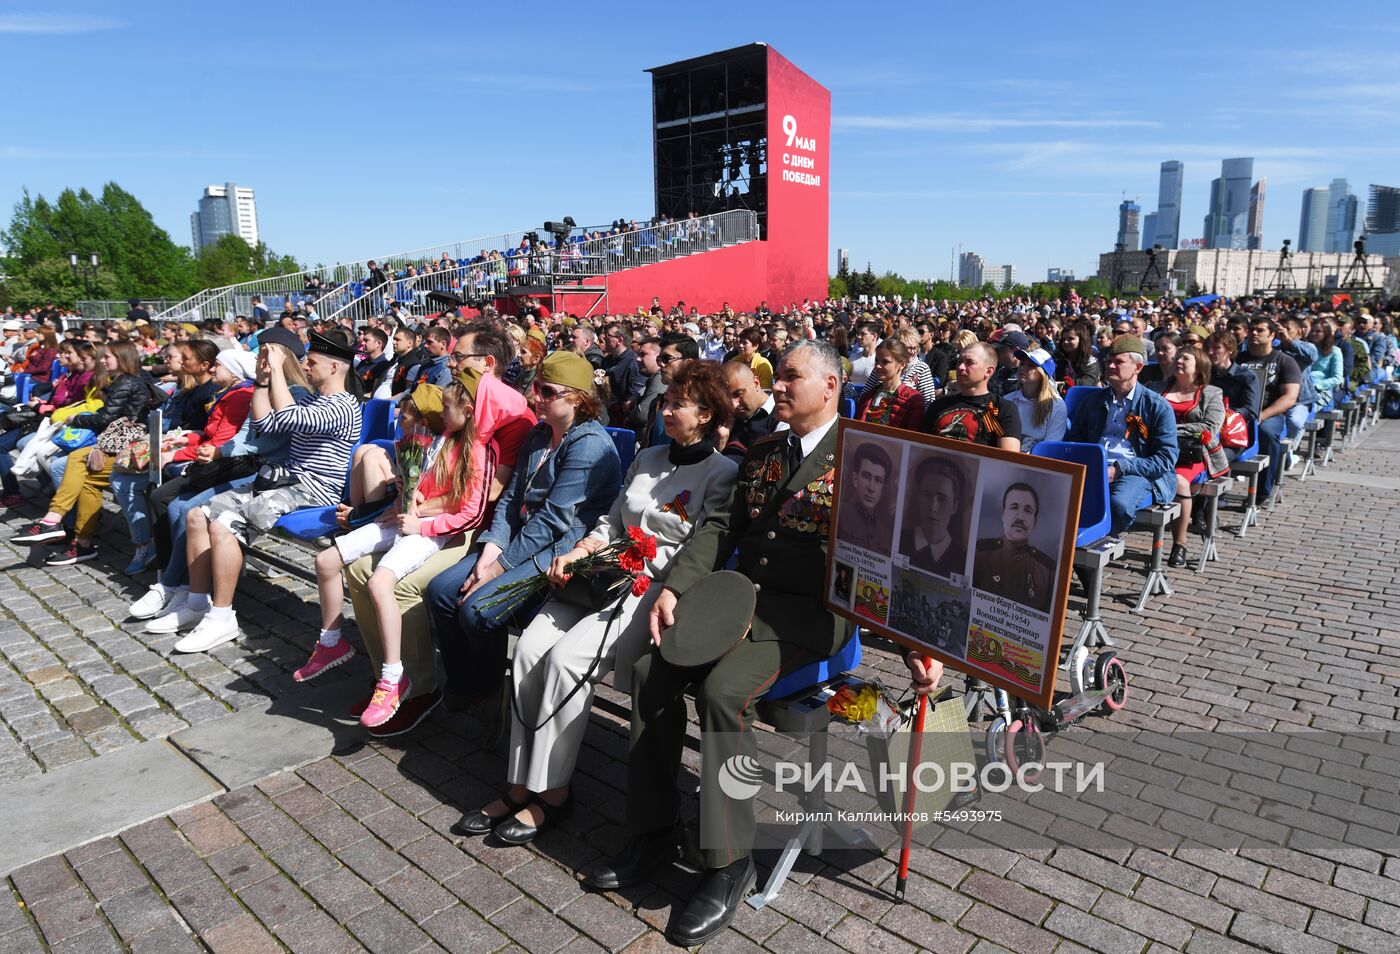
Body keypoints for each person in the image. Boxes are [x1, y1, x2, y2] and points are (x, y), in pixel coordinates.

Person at [582, 340, 851, 948]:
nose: (774, 387)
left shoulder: (865, 458)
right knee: (651, 669)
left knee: (722, 692)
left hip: (807, 617)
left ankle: (726, 861)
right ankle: (652, 829)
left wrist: (920, 649)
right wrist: (678, 587)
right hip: (736, 599)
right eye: (776, 377)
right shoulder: (761, 452)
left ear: (830, 387)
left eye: (791, 378)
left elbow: (892, 558)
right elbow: (720, 527)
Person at [457, 361, 737, 846]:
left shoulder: (722, 473)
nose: (666, 411)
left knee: (565, 663)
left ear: (707, 414)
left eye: (679, 404)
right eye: (666, 402)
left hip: (647, 589)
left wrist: (660, 583)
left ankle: (554, 792)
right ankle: (521, 783)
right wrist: (579, 551)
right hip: (598, 572)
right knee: (527, 653)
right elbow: (610, 521)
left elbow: (699, 549)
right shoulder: (647, 457)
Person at [425, 352, 620, 744]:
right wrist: (491, 550)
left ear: (578, 398)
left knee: (478, 612)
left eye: (547, 391)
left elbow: (554, 519)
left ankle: (492, 689)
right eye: (536, 389)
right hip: (520, 540)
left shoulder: (590, 445)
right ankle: (473, 685)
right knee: (441, 592)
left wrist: (497, 568)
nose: (537, 398)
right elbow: (512, 501)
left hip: (560, 550)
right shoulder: (538, 435)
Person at [156, 331, 362, 653]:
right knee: (198, 516)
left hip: (314, 491)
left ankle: (222, 615)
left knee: (224, 524)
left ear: (334, 368)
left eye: (313, 361)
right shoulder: (311, 398)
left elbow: (288, 418)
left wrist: (279, 369)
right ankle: (197, 601)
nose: (305, 365)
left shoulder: (344, 406)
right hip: (285, 481)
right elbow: (265, 425)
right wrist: (264, 382)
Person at [300, 381, 478, 728]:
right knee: (341, 564)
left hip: (438, 529)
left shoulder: (466, 446)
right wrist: (399, 501)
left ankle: (409, 681)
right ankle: (356, 654)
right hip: (409, 519)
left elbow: (466, 503)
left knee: (388, 582)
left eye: (408, 414)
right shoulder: (428, 443)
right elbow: (415, 491)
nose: (399, 418)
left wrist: (420, 511)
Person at [11, 341, 163, 566]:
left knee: (75, 460)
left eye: (107, 356)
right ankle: (80, 541)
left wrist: (74, 419)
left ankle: (57, 522)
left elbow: (105, 418)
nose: (103, 360)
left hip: (131, 449)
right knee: (84, 476)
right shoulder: (121, 381)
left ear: (122, 358)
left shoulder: (127, 383)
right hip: (120, 445)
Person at [1065, 336, 1179, 537]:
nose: (1110, 366)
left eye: (1118, 362)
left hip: (1135, 472)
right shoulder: (1092, 401)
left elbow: (1165, 458)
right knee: (1059, 498)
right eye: (1108, 361)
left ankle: (1091, 544)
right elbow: (1076, 442)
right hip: (1095, 466)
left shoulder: (1156, 406)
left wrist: (1119, 469)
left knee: (1118, 504)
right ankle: (1077, 550)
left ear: (1138, 367)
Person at [1145, 344, 1227, 567]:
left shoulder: (1211, 393)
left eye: (1186, 359)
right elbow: (1142, 418)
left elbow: (1210, 427)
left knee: (1179, 482)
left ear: (1199, 365)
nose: (1179, 361)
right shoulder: (1156, 387)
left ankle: (1179, 544)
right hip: (1156, 451)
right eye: (1178, 358)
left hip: (1190, 455)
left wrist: (1167, 429)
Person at [1238, 318, 1301, 500]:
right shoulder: (1238, 359)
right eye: (1251, 330)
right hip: (1239, 411)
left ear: (1272, 335)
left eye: (1260, 330)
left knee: (1265, 432)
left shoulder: (1285, 361)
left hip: (1269, 413)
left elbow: (1289, 397)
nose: (1254, 333)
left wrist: (1262, 415)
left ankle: (1263, 490)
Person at [921, 343, 1022, 451]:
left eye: (969, 363)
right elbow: (920, 448)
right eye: (959, 361)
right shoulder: (938, 406)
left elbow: (1007, 459)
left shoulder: (1002, 409)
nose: (960, 367)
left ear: (988, 371)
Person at [972, 482, 1055, 612]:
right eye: (1014, 507)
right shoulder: (980, 554)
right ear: (1003, 514)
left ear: (1034, 521)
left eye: (1028, 510)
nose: (1020, 517)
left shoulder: (1047, 569)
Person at [898, 454, 970, 577]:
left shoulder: (962, 561)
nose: (933, 508)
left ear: (954, 506)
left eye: (942, 499)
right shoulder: (899, 540)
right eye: (926, 495)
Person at [854, 337, 925, 431]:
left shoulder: (914, 400)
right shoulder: (867, 397)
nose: (878, 366)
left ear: (902, 364)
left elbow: (913, 438)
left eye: (885, 362)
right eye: (877, 361)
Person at [836, 441, 895, 555]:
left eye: (878, 480)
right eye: (866, 476)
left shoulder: (886, 535)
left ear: (883, 488)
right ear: (855, 479)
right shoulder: (838, 513)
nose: (871, 488)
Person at [1006, 346, 1066, 453]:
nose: (1023, 368)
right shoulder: (1008, 400)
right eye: (1022, 363)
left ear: (1043, 373)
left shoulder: (1057, 406)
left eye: (1031, 365)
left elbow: (1050, 449)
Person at [721, 360, 778, 461]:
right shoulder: (726, 416)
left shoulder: (780, 417)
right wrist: (721, 440)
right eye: (726, 398)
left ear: (756, 383)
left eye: (738, 394)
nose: (734, 405)